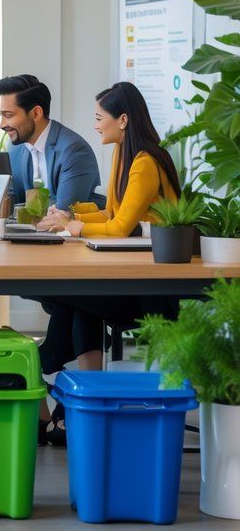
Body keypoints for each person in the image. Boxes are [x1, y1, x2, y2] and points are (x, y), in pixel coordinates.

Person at [33, 81, 183, 374]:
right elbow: (112, 213)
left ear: (123, 120)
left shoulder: (145, 162)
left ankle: (48, 361)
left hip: (153, 287)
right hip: (134, 273)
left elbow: (120, 228)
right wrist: (70, 215)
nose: (96, 126)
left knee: (71, 294)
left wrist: (74, 227)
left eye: (100, 118)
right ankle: (84, 387)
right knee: (77, 301)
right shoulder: (124, 154)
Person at [0, 74, 101, 211]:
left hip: (69, 230)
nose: (2, 125)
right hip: (29, 230)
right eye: (1, 115)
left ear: (36, 113)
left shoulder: (74, 151)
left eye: (8, 115)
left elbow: (64, 213)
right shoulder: (16, 148)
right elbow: (11, 202)